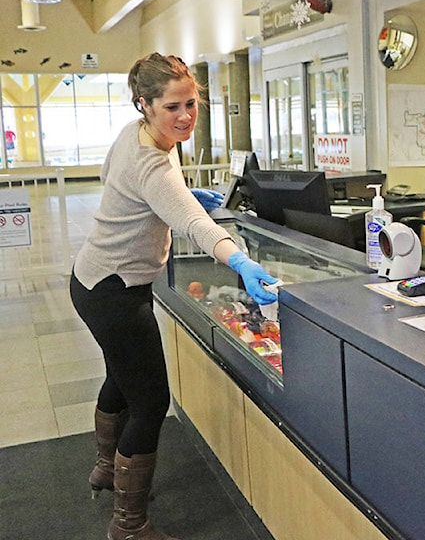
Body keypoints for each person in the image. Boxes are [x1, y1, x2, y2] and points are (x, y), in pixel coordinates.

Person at [69, 52, 278, 540]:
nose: (185, 117)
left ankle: (106, 468)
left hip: (94, 279)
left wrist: (175, 195)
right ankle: (129, 524)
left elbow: (116, 180)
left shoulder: (136, 133)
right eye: (172, 108)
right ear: (145, 104)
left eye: (192, 105)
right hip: (115, 291)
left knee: (121, 379)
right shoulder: (153, 165)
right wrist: (239, 260)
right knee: (150, 401)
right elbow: (194, 225)